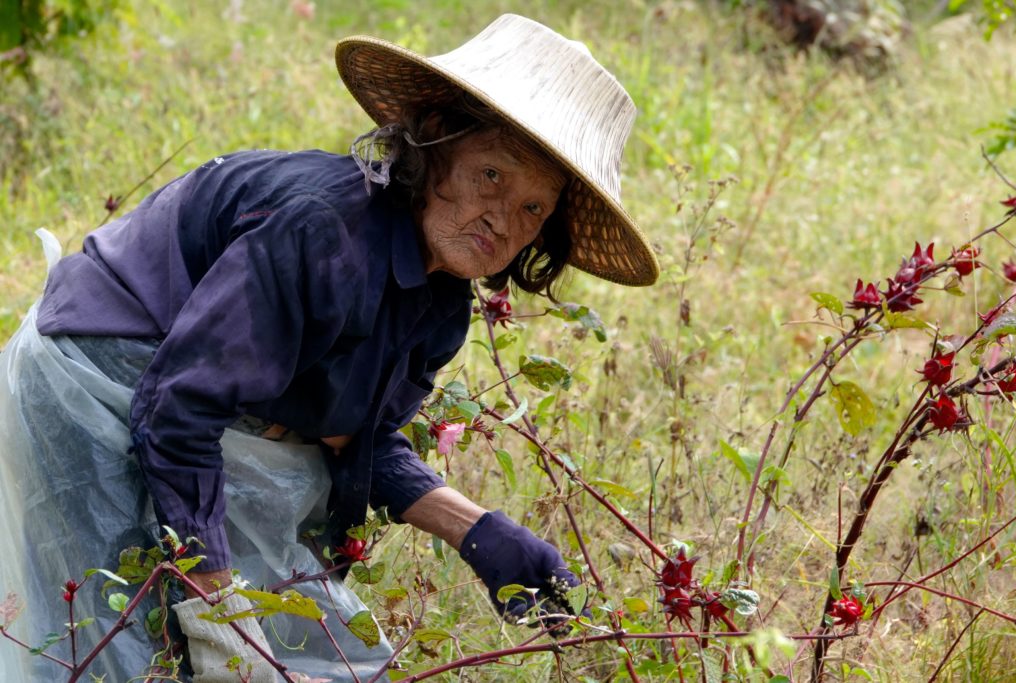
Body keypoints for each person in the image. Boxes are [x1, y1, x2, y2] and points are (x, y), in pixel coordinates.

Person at [0, 13, 658, 682]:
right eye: (492, 175)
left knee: (296, 649)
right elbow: (176, 411)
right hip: (90, 379)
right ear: (435, 141)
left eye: (532, 210)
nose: (502, 219)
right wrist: (219, 614)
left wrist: (479, 530)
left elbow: (353, 439)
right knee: (110, 648)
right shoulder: (323, 231)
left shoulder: (440, 306)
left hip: (188, 412)